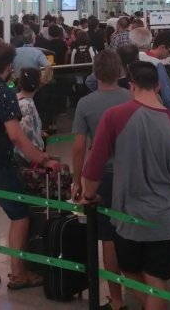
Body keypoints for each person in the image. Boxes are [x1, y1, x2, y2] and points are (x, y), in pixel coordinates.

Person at [81, 61, 170, 310]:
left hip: (128, 217)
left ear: (131, 86)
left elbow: (94, 164)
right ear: (158, 86)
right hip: (164, 218)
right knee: (157, 280)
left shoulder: (115, 117)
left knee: (128, 270)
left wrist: (88, 194)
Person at [0, 42, 60, 292]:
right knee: (20, 215)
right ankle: (19, 274)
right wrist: (43, 159)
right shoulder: (2, 91)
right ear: (9, 67)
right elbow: (16, 136)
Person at [71, 49, 132, 310]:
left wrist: (77, 180)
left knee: (108, 237)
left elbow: (78, 147)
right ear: (120, 71)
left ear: (95, 73)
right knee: (133, 231)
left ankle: (116, 300)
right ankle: (143, 291)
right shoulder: (132, 98)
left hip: (103, 178)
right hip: (133, 174)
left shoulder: (86, 104)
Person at [14, 67, 45, 163]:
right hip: (25, 158)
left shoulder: (14, 98)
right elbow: (27, 133)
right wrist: (39, 156)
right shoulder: (27, 105)